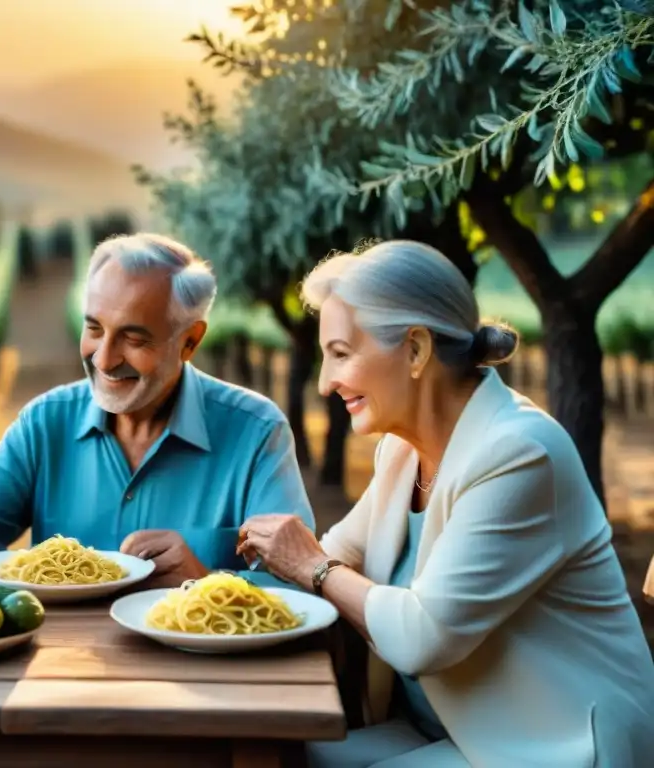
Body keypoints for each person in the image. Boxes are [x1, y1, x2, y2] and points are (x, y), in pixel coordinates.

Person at [237, 240, 654, 768]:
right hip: (450, 726)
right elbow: (332, 559)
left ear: (415, 350)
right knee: (270, 754)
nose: (324, 382)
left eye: (341, 353)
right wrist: (198, 586)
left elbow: (420, 635)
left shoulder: (520, 453)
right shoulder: (401, 450)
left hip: (555, 742)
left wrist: (312, 566)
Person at [0, 231, 314, 588]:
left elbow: (298, 585)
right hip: (60, 680)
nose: (103, 358)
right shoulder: (45, 422)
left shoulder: (256, 433)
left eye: (133, 339)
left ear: (190, 341)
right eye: (94, 328)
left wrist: (209, 582)